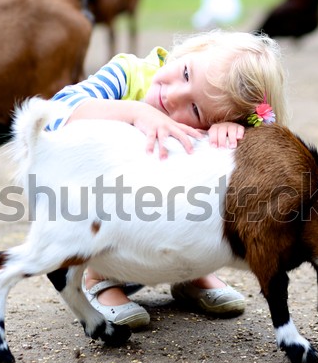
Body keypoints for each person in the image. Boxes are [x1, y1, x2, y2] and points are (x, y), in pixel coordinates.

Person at [46, 30, 289, 329]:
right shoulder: (128, 73)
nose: (172, 95)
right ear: (196, 47)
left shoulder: (209, 123)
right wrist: (135, 112)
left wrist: (227, 140)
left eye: (196, 109)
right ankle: (100, 277)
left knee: (214, 171)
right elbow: (53, 112)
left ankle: (192, 271)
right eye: (186, 73)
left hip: (155, 229)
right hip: (100, 211)